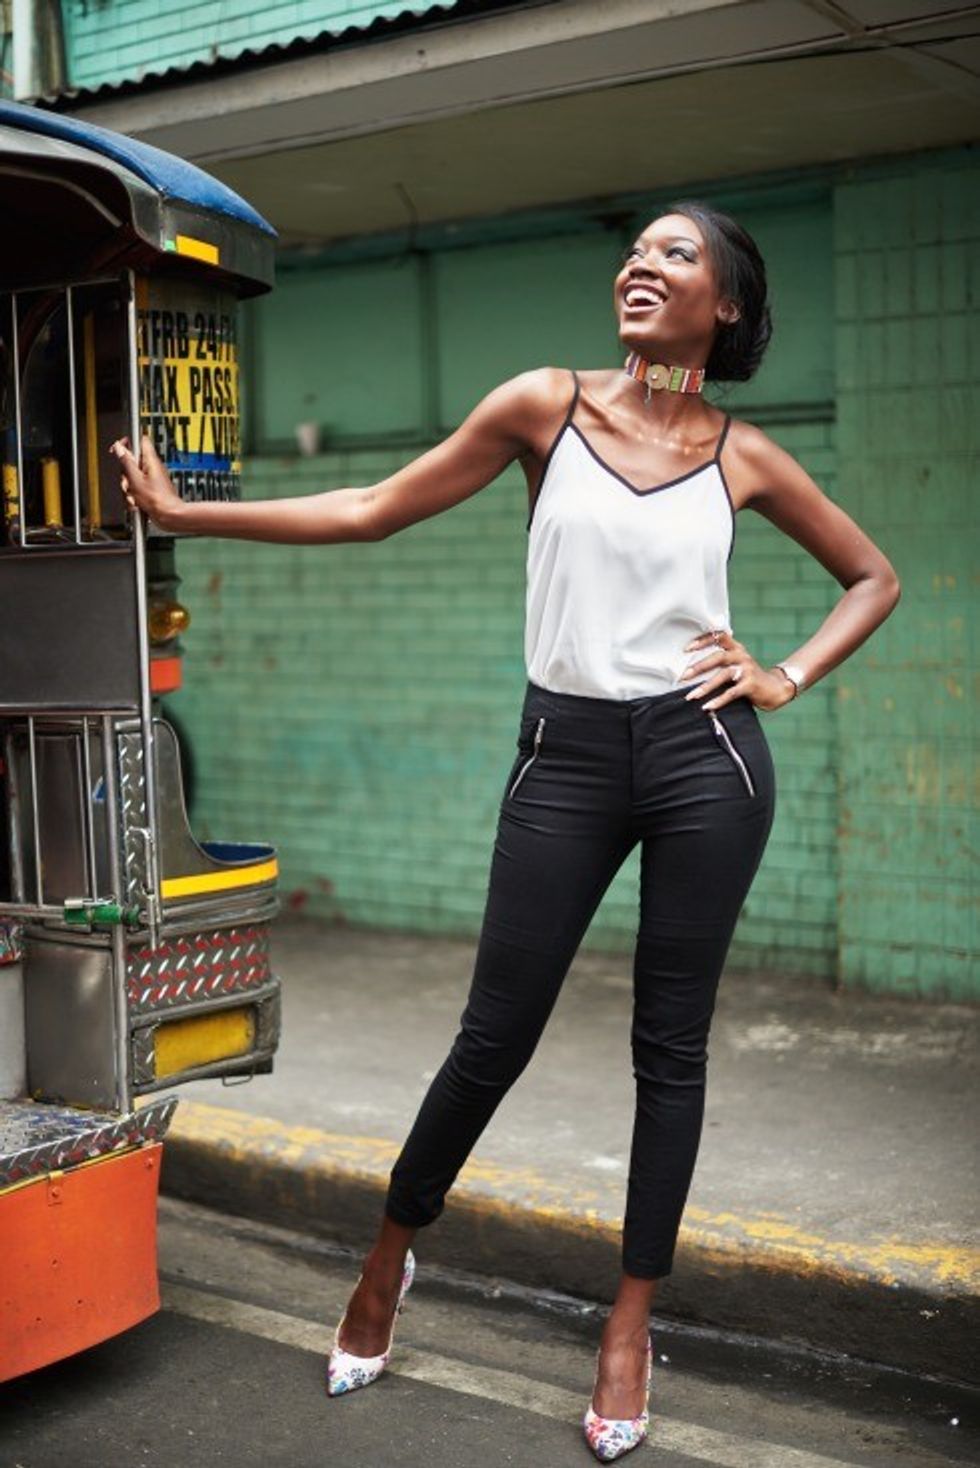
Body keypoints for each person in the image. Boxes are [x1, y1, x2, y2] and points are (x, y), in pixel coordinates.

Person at [111, 199, 900, 1462]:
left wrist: (781, 676)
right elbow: (374, 504)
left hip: (706, 761)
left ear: (727, 305)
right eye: (633, 249)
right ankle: (386, 1260)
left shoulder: (743, 456)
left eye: (675, 253)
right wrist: (190, 517)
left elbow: (874, 576)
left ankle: (628, 1323)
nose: (640, 263)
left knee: (669, 1049)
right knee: (493, 1034)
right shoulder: (544, 405)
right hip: (566, 756)